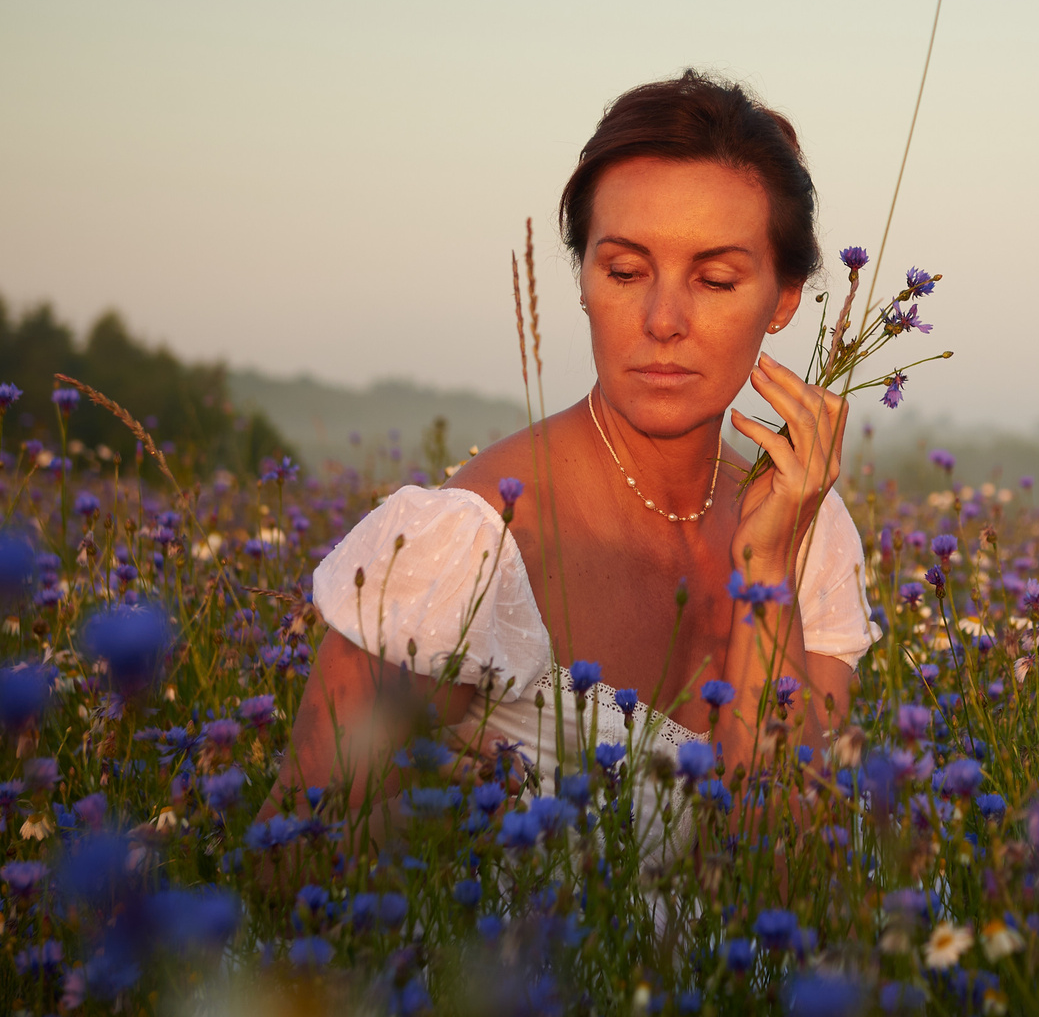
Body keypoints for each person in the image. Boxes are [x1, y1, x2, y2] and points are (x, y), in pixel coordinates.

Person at [263, 72, 878, 850]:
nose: (663, 320)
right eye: (624, 271)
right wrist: (451, 832)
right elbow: (290, 871)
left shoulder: (807, 534)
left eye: (716, 279)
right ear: (584, 279)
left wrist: (764, 568)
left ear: (783, 298)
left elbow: (789, 878)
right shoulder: (467, 547)